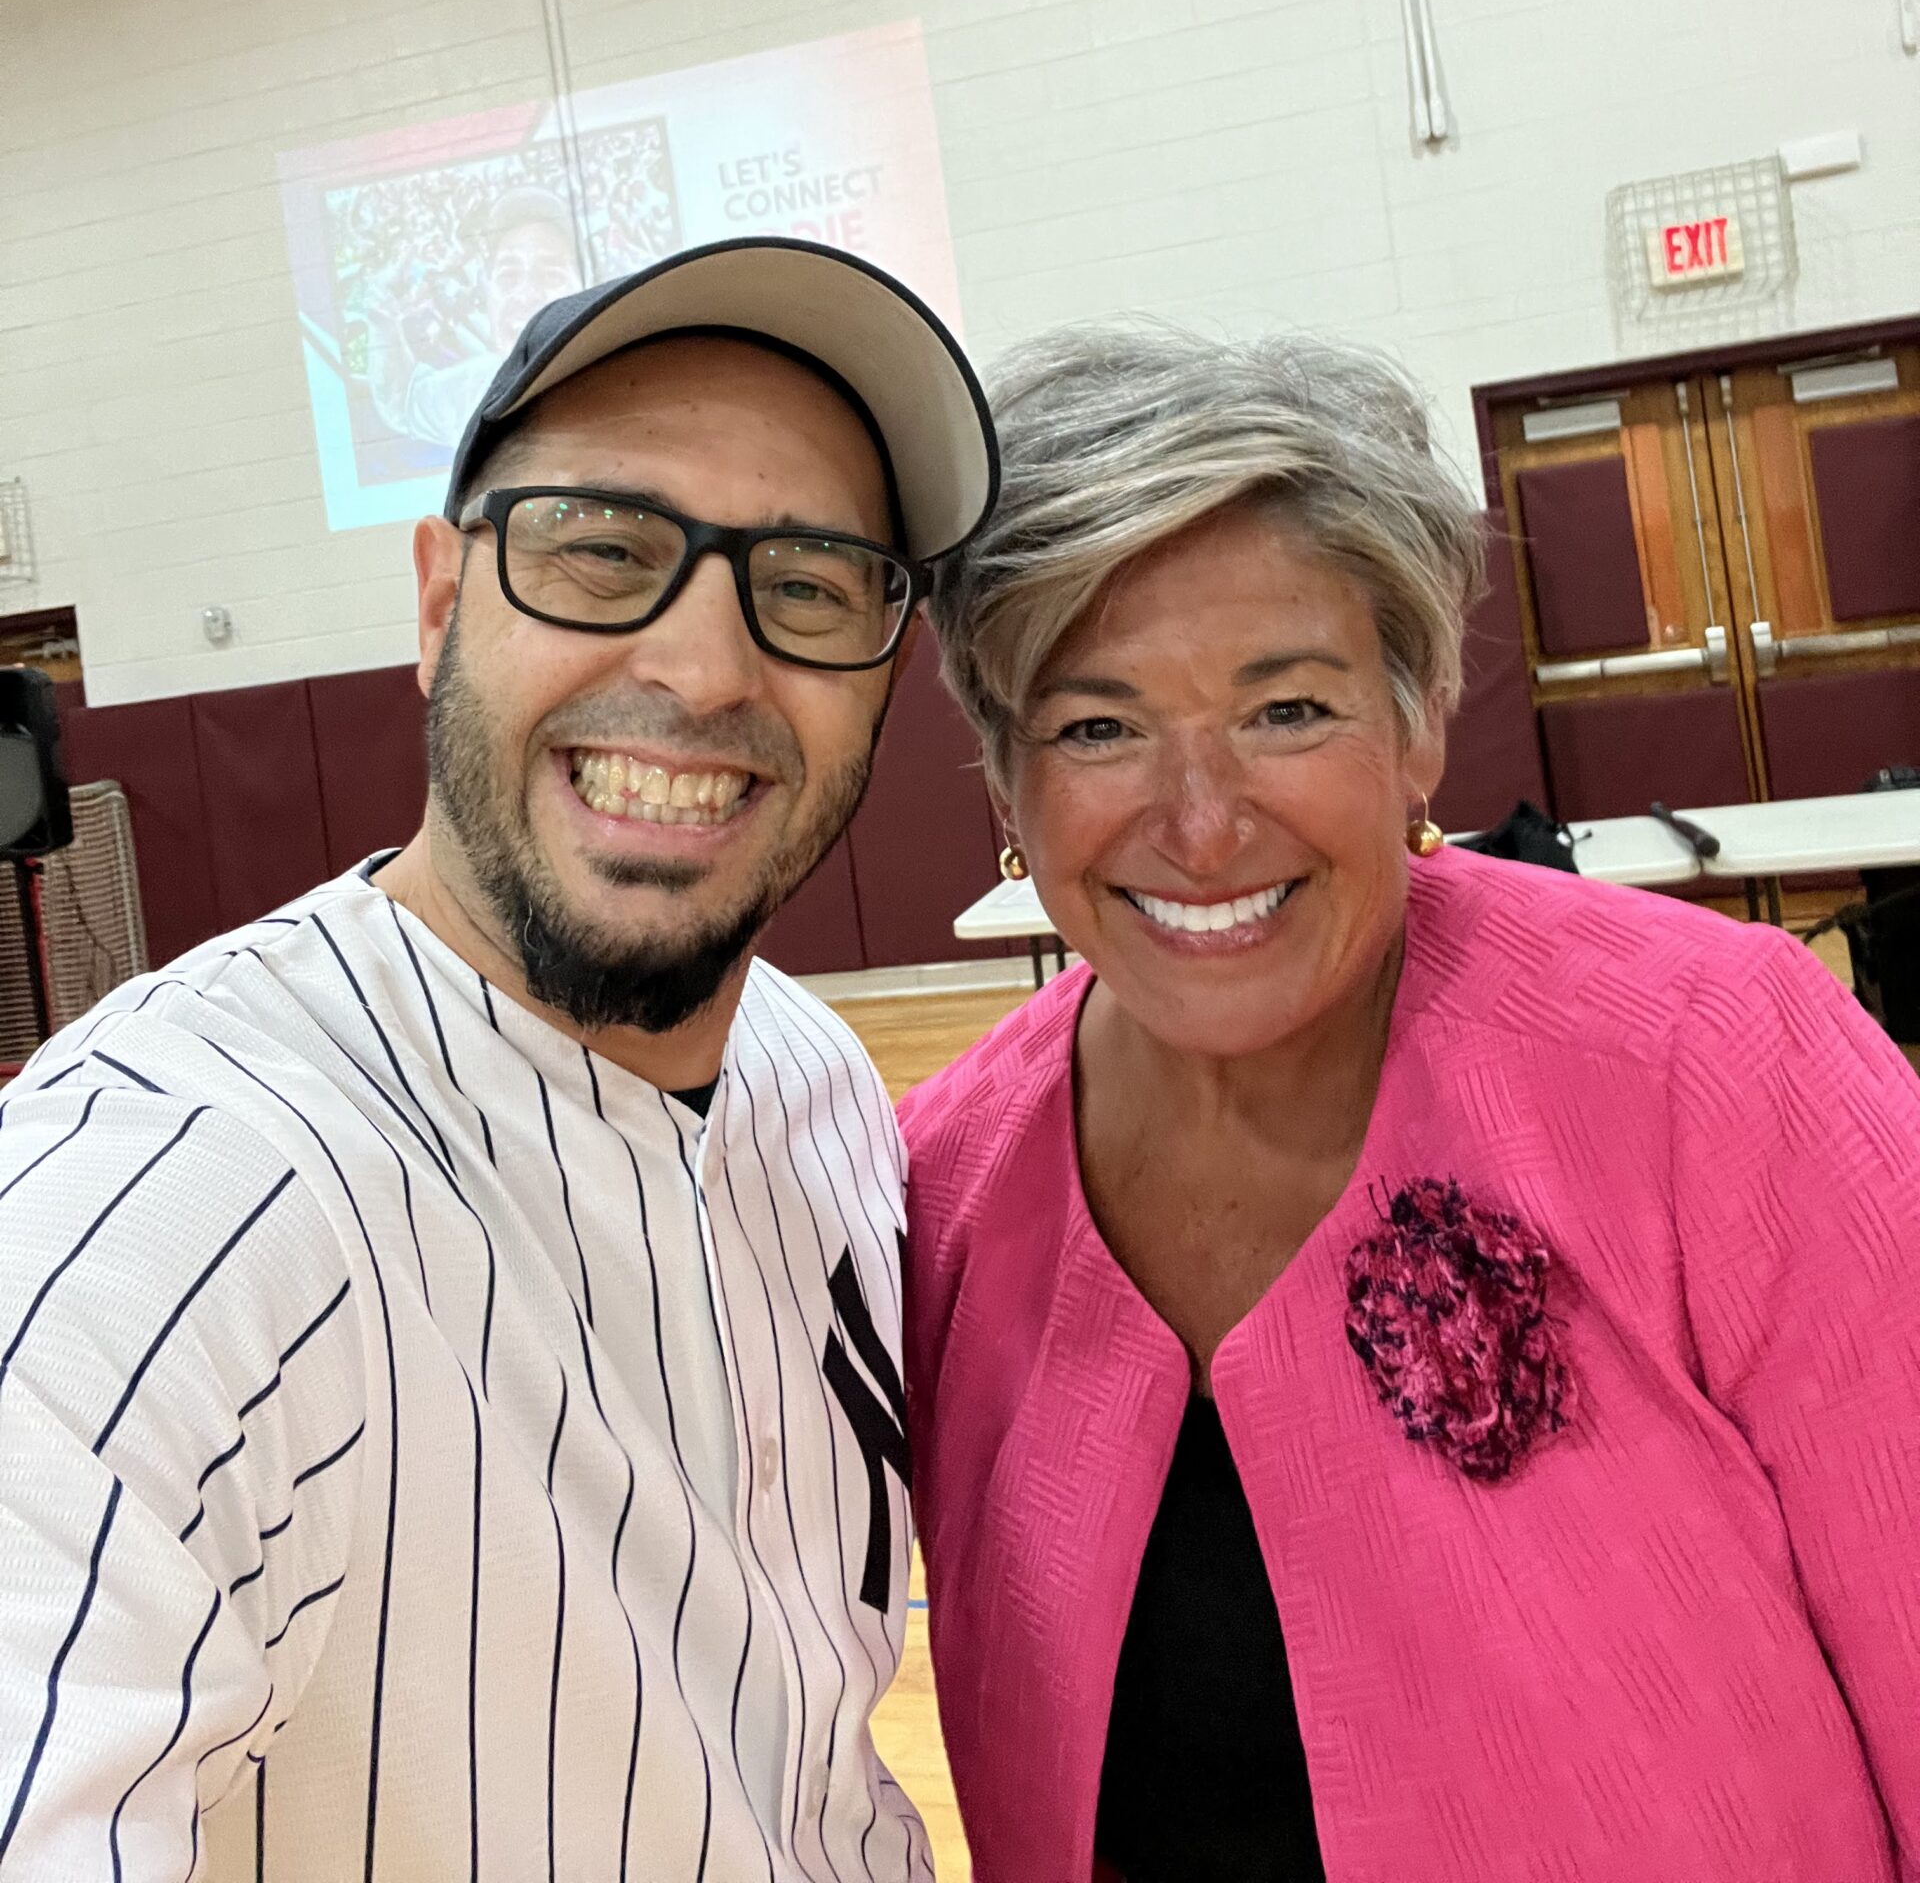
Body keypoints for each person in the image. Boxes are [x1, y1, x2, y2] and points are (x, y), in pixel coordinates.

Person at [0, 237, 996, 1882]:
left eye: (812, 583)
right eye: (602, 551)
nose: (699, 665)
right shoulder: (156, 1212)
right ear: (442, 605)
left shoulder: (816, 1082)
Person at [901, 320, 1920, 1883]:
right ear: (1005, 782)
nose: (1201, 818)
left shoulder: (1714, 1058)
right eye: (1097, 726)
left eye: (1287, 709)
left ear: (1420, 723)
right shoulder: (941, 1187)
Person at [365, 183, 584, 450]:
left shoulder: (623, 377)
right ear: (487, 288)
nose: (526, 295)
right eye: (508, 275)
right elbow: (400, 404)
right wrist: (382, 316)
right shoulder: (474, 388)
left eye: (551, 274)